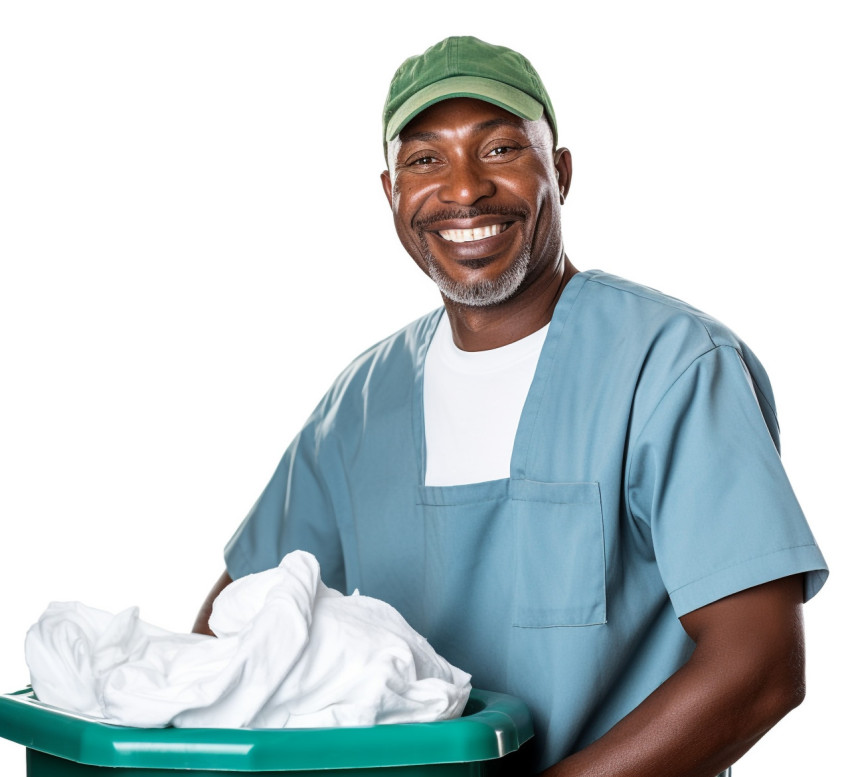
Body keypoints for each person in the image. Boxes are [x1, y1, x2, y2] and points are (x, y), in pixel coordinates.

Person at [193, 36, 827, 776]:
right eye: (425, 159)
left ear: (559, 172)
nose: (464, 190)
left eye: (498, 149)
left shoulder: (671, 365)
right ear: (390, 193)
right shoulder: (358, 408)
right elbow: (230, 635)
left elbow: (758, 669)